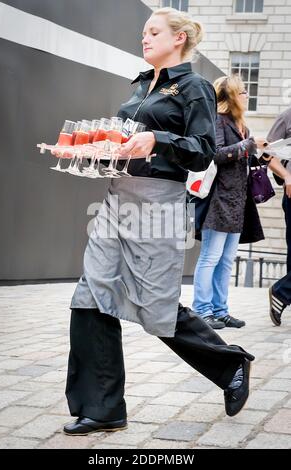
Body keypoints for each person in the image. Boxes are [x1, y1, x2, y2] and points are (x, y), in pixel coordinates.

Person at [63, 8, 255, 436]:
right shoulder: (138, 87)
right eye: (143, 32)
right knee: (90, 295)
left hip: (159, 204)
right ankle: (103, 406)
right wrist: (92, 148)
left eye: (153, 32)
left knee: (157, 307)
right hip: (118, 197)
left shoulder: (195, 88)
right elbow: (124, 143)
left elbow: (203, 151)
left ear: (180, 39)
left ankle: (229, 364)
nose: (144, 38)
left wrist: (159, 138)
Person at [192, 75, 266, 330]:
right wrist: (247, 145)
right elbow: (216, 154)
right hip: (219, 200)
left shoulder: (240, 123)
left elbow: (240, 158)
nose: (247, 95)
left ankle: (220, 310)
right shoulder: (218, 120)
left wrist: (259, 153)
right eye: (243, 91)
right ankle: (202, 310)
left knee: (225, 260)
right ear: (233, 95)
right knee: (210, 257)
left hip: (237, 202)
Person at [266, 107, 291, 325]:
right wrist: (286, 177)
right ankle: (282, 293)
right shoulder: (287, 116)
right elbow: (266, 154)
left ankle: (282, 293)